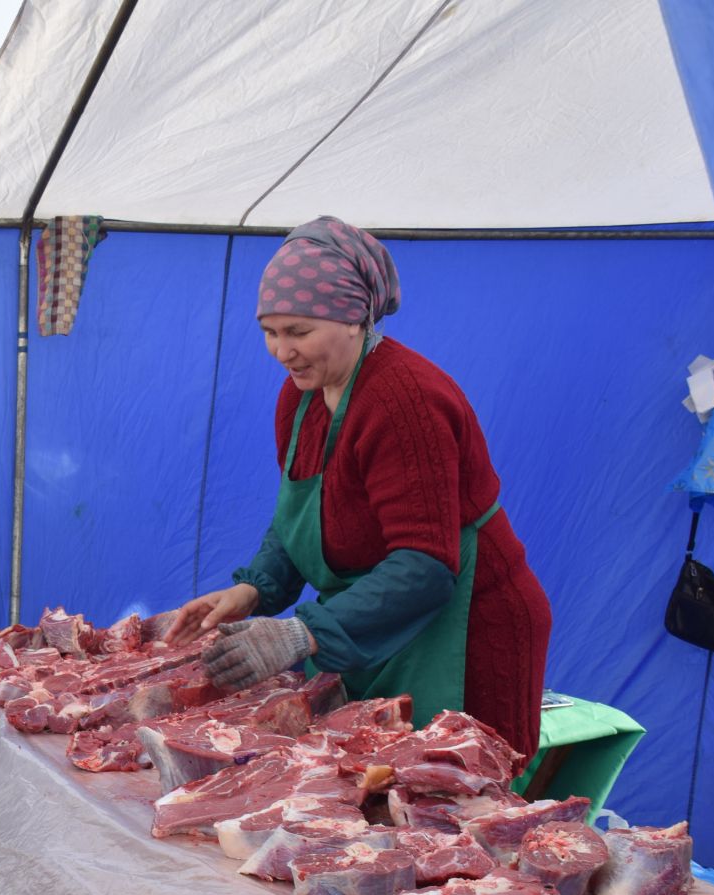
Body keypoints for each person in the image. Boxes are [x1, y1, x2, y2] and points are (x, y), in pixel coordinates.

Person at [167, 217, 553, 756]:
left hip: (466, 628)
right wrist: (253, 590)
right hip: (372, 623)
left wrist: (301, 633)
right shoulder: (299, 397)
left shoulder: (404, 401)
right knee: (364, 798)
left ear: (354, 319)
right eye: (269, 332)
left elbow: (425, 565)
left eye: (298, 332)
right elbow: (300, 519)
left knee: (455, 806)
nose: (281, 351)